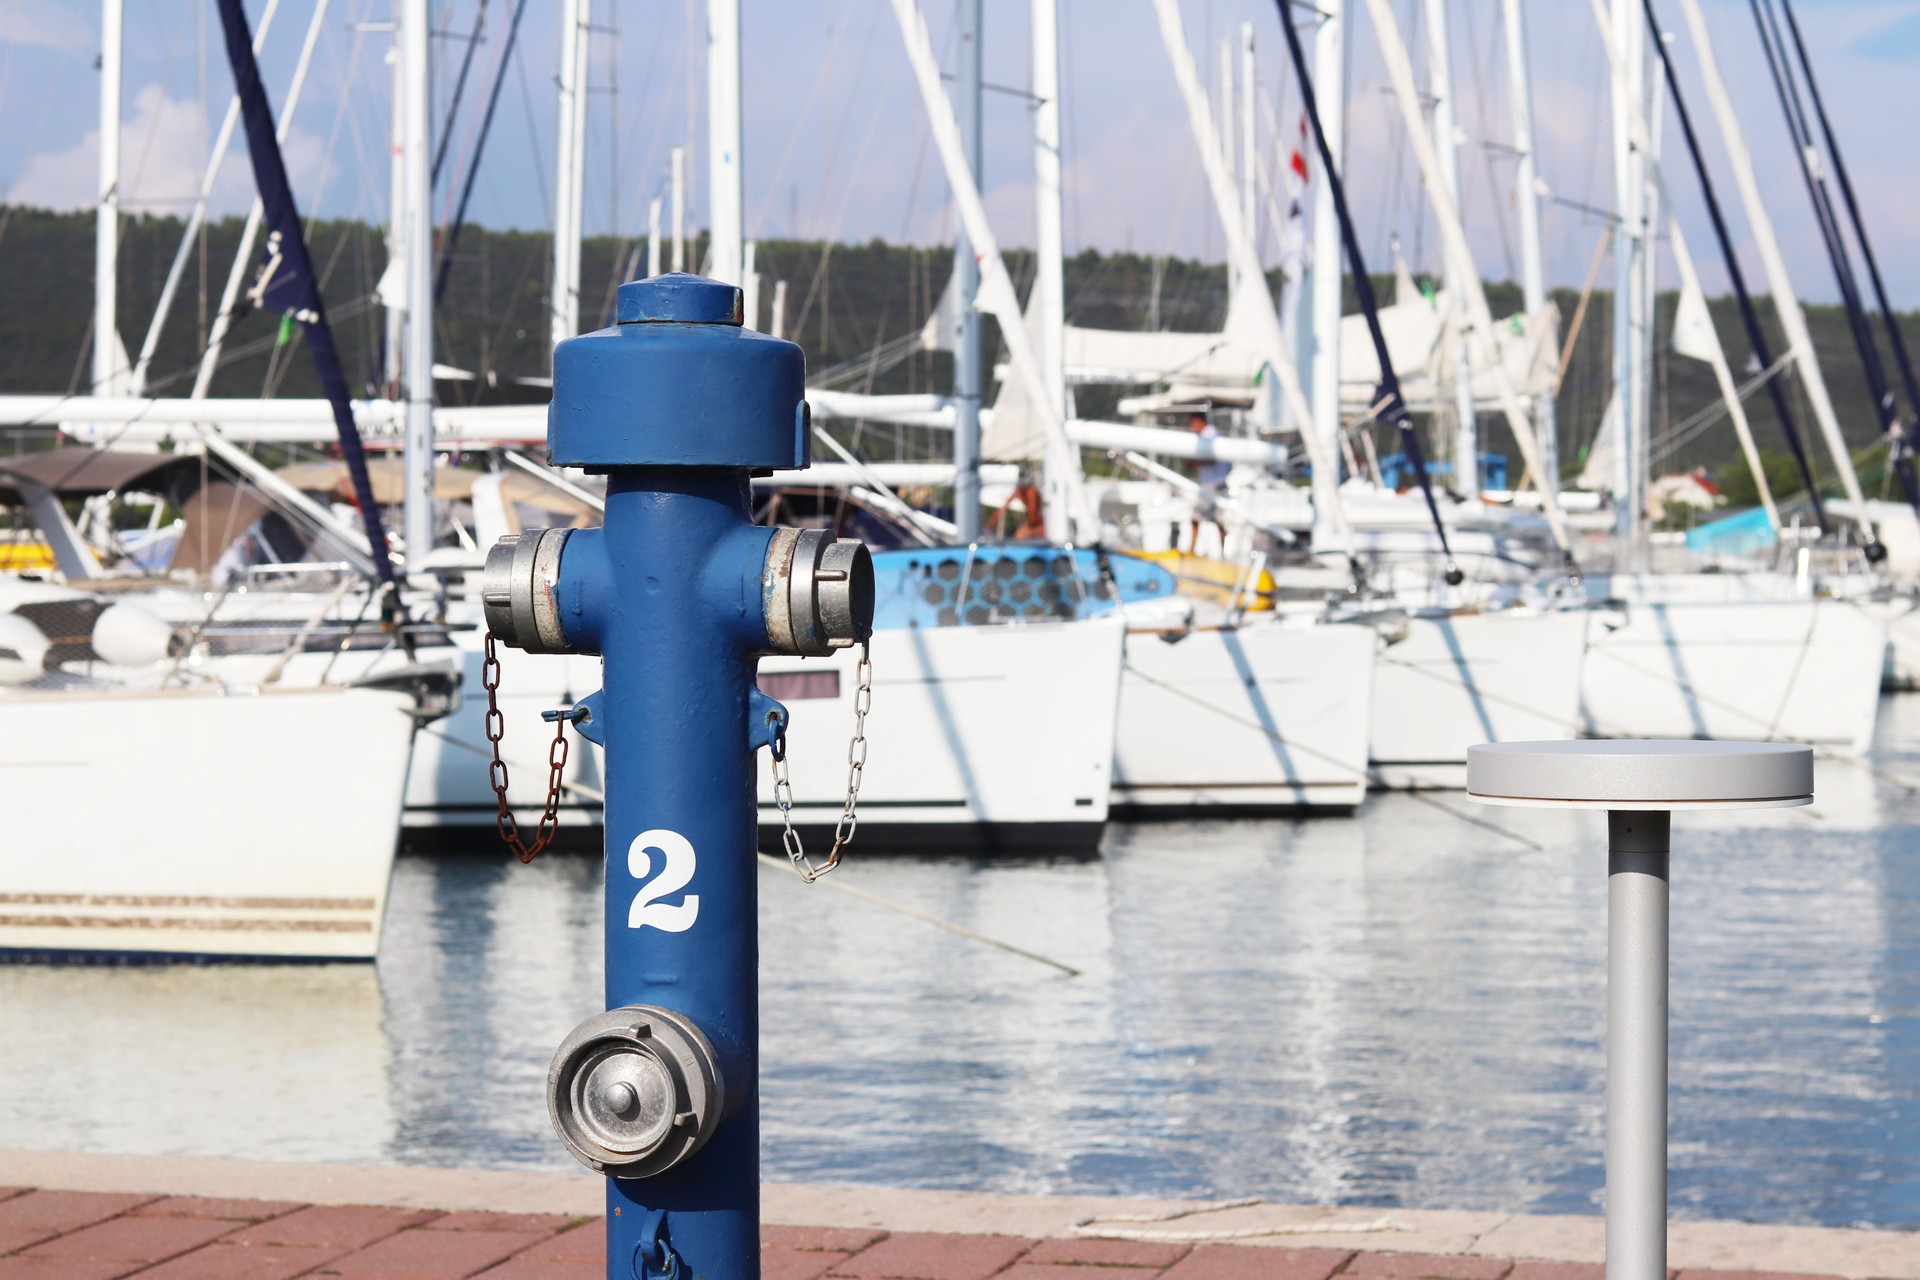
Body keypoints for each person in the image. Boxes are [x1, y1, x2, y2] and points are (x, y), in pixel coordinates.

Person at [1186, 411, 1228, 554]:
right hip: (1213, 483)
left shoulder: (1209, 435)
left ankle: (1192, 550)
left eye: (1192, 423)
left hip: (1213, 484)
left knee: (1197, 518)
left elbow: (1212, 459)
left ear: (1198, 421)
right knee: (1217, 521)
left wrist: (1194, 464)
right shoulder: (1209, 434)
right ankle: (1222, 551)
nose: (1192, 427)